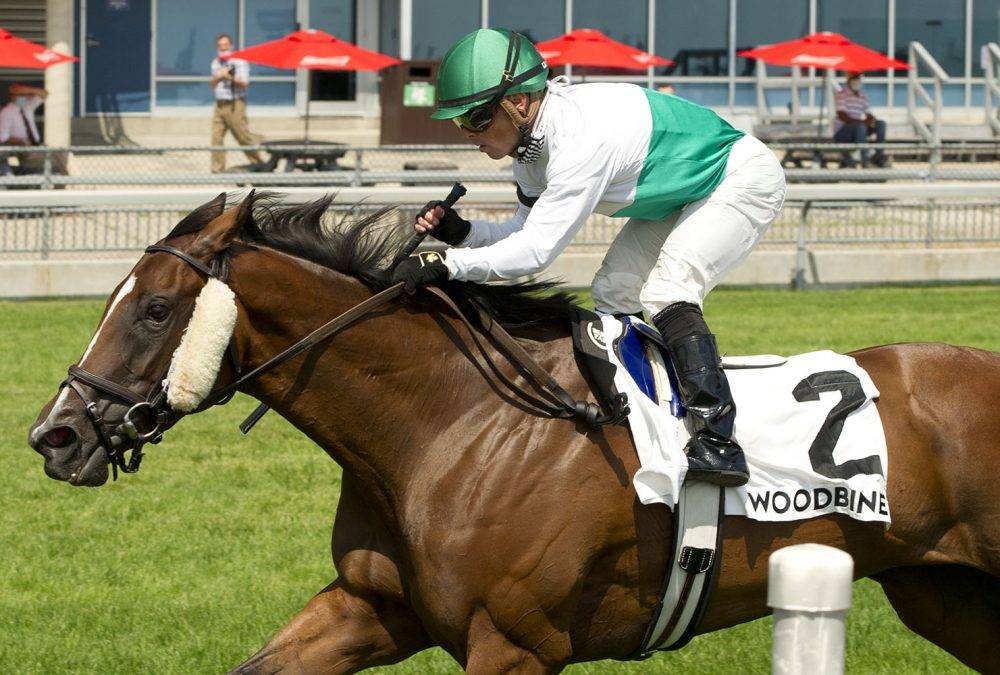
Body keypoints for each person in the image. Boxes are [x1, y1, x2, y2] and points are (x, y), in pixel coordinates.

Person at [392, 29, 786, 487]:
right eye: (459, 122)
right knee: (613, 290)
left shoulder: (578, 137)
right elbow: (522, 231)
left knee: (667, 291)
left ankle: (719, 442)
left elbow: (535, 253)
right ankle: (646, 412)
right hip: (684, 194)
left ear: (519, 103)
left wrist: (446, 264)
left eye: (477, 119)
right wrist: (460, 234)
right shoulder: (531, 147)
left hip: (739, 178)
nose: (468, 135)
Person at [210, 33, 263, 173]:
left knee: (242, 136)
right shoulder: (216, 62)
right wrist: (218, 76)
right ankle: (217, 169)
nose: (222, 48)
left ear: (231, 46)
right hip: (220, 103)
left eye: (225, 45)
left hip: (235, 103)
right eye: (220, 46)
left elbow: (244, 83)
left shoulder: (239, 61)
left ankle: (259, 162)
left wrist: (229, 77)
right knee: (216, 138)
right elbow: (212, 84)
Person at [834, 72, 888, 168]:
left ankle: (879, 155)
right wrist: (863, 122)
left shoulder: (862, 95)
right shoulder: (842, 94)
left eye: (858, 78)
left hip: (858, 129)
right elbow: (842, 116)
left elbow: (868, 113)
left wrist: (870, 120)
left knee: (881, 124)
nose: (857, 81)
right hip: (843, 132)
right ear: (849, 80)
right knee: (861, 126)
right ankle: (865, 162)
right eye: (855, 78)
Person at [0, 83, 47, 174]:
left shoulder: (27, 107)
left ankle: (59, 181)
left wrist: (27, 90)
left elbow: (44, 94)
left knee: (57, 155)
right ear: (13, 97)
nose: (25, 98)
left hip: (34, 145)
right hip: (19, 146)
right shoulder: (7, 112)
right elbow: (3, 137)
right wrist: (22, 141)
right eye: (21, 95)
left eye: (26, 95)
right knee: (37, 160)